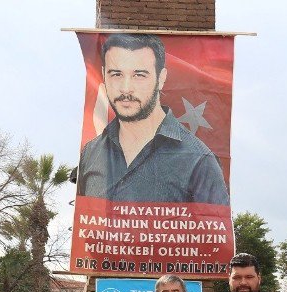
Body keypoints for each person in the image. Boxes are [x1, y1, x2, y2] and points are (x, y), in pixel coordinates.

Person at [76, 33, 229, 206]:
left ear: (161, 78)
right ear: (104, 75)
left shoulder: (199, 159)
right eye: (116, 74)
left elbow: (214, 231)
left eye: (139, 75)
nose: (126, 89)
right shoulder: (91, 153)